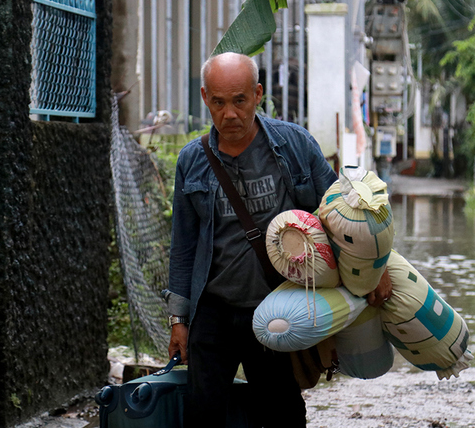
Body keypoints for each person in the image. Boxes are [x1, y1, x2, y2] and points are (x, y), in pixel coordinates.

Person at [164, 52, 391, 427]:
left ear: (257, 94)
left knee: (282, 412)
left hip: (275, 308)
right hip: (214, 310)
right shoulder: (192, 161)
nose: (230, 114)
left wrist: (376, 267)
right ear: (205, 98)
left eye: (239, 101)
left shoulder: (294, 145)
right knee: (202, 413)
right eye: (218, 103)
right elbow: (184, 246)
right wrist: (179, 320)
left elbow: (341, 211)